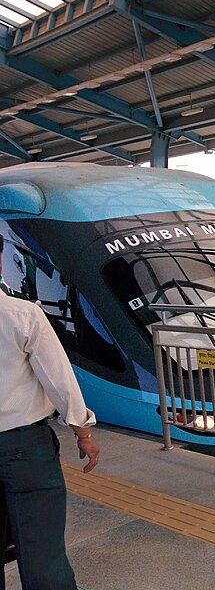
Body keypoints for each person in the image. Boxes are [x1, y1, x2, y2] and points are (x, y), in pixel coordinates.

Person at [0, 232, 100, 590]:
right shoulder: (22, 315)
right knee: (42, 551)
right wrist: (82, 431)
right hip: (24, 448)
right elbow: (59, 380)